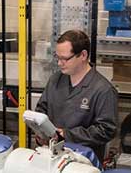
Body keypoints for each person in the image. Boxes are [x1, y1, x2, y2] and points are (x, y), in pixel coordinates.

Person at [36, 30, 119, 162]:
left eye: (65, 59)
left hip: (82, 165)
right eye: (57, 57)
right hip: (51, 158)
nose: (59, 63)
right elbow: (42, 109)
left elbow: (106, 130)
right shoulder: (55, 80)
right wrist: (41, 131)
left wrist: (67, 135)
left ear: (83, 55)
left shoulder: (103, 90)